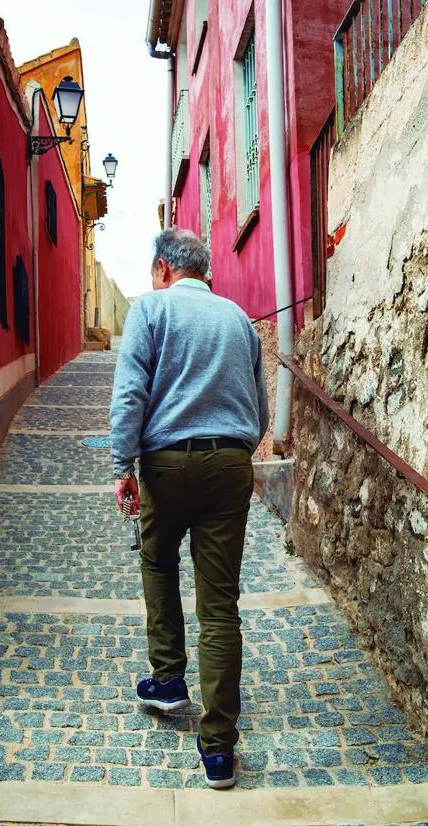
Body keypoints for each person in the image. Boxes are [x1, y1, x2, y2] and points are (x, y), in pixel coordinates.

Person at [109, 229, 269, 789]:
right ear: (206, 272)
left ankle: (168, 677)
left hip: (166, 465)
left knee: (158, 563)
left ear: (161, 269)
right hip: (230, 464)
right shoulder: (239, 321)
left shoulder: (150, 310)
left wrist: (121, 466)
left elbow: (131, 393)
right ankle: (219, 748)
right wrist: (235, 451)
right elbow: (261, 406)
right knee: (221, 604)